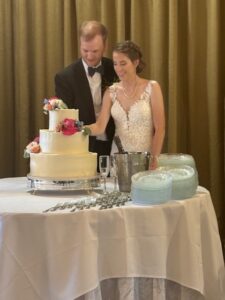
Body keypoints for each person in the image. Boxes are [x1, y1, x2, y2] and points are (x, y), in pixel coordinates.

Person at [87, 40, 165, 169]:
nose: (118, 69)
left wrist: (154, 158)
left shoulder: (152, 87)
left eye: (123, 63)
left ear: (135, 62)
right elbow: (100, 126)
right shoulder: (110, 92)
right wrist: (79, 129)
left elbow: (160, 128)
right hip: (118, 159)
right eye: (115, 64)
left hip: (145, 158)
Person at [55, 20, 117, 160]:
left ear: (105, 46)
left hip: (115, 145)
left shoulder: (116, 69)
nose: (89, 56)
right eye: (85, 50)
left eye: (95, 51)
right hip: (82, 147)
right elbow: (66, 120)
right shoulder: (65, 77)